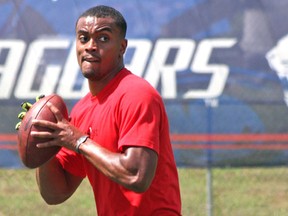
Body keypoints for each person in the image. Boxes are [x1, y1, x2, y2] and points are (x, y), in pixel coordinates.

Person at [27, 5, 181, 215]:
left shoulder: (136, 94)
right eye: (83, 38)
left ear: (122, 47)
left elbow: (136, 176)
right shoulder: (82, 110)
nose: (90, 46)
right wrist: (45, 144)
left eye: (103, 38)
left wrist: (79, 141)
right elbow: (55, 194)